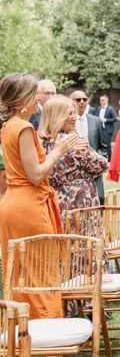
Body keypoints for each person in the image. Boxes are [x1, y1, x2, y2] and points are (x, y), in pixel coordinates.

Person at [0, 74, 80, 320]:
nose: (38, 98)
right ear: (22, 99)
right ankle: (51, 343)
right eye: (34, 94)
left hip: (14, 203)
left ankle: (21, 335)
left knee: (19, 273)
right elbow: (35, 175)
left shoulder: (7, 126)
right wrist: (58, 150)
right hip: (29, 207)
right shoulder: (23, 128)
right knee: (42, 271)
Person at [39, 95, 108, 224]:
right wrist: (88, 148)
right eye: (69, 114)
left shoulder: (42, 144)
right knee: (84, 243)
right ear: (57, 117)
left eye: (74, 113)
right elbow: (102, 165)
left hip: (56, 204)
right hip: (81, 207)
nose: (75, 117)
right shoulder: (73, 142)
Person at [70, 90, 109, 204]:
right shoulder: (67, 122)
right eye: (78, 100)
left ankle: (99, 222)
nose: (82, 102)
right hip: (75, 171)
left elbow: (103, 145)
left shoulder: (95, 120)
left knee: (100, 198)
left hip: (95, 169)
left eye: (84, 99)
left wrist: (100, 158)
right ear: (71, 102)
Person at [89, 94, 118, 160]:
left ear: (106, 101)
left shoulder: (110, 109)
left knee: (107, 146)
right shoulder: (99, 108)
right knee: (100, 145)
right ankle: (102, 159)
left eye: (102, 100)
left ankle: (109, 160)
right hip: (100, 130)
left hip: (107, 130)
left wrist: (106, 120)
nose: (101, 101)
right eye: (100, 100)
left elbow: (114, 119)